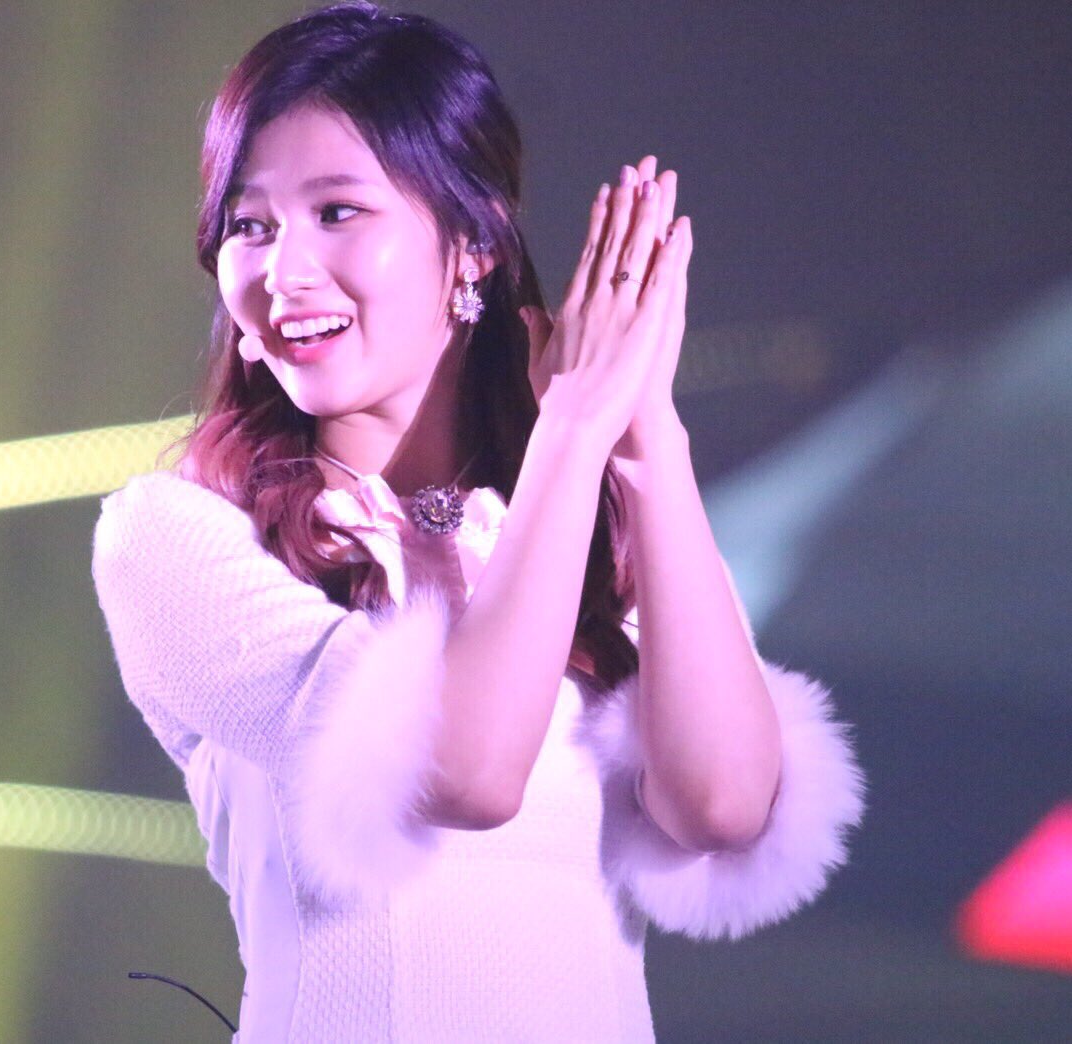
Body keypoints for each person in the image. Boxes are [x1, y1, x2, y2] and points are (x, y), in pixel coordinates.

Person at [92, 3, 865, 1039]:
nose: (283, 274)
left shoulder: (594, 521)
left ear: (471, 243)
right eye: (250, 225)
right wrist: (574, 430)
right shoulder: (180, 536)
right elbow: (462, 772)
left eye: (336, 212)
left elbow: (723, 806)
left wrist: (644, 438)